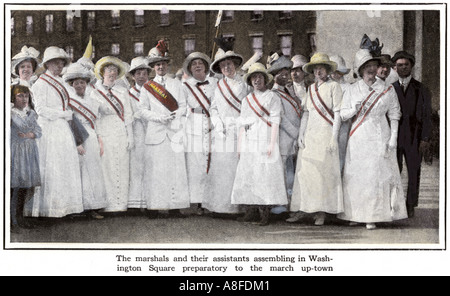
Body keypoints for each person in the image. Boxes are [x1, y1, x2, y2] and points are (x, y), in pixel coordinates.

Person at [338, 47, 408, 230]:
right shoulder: (352, 89)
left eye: (373, 65)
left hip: (379, 134)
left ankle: (372, 216)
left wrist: (393, 138)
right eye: (366, 66)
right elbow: (343, 114)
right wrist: (353, 108)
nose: (370, 69)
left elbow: (395, 114)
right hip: (358, 136)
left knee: (375, 175)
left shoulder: (386, 89)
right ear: (360, 70)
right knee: (357, 176)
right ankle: (355, 215)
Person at [26, 46, 84, 218]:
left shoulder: (61, 82)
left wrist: (64, 116)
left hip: (61, 128)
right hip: (49, 128)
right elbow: (41, 110)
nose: (59, 66)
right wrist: (63, 114)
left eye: (61, 63)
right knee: (51, 167)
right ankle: (47, 209)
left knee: (64, 166)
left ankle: (64, 208)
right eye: (56, 63)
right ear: (48, 64)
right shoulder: (40, 83)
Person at [289, 53, 344, 226]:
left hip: (326, 133)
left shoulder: (334, 86)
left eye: (322, 68)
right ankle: (304, 209)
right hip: (311, 134)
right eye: (315, 68)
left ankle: (322, 211)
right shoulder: (311, 89)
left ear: (328, 70)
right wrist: (300, 135)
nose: (318, 71)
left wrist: (334, 138)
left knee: (323, 174)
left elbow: (337, 114)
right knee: (306, 173)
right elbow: (306, 113)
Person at [231, 62, 287, 226]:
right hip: (250, 140)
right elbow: (243, 124)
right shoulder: (247, 99)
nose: (257, 80)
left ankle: (265, 212)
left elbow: (276, 121)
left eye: (259, 77)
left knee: (265, 175)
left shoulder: (272, 97)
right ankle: (251, 210)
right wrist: (240, 145)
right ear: (250, 81)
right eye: (254, 77)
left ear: (265, 79)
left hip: (265, 136)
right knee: (249, 174)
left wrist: (272, 143)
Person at [138, 42, 190, 218]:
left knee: (174, 170)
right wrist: (159, 118)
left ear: (168, 65)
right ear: (153, 67)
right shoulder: (147, 87)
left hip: (173, 132)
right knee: (156, 171)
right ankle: (154, 207)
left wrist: (175, 115)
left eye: (163, 63)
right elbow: (142, 110)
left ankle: (174, 207)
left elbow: (183, 106)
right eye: (157, 64)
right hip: (156, 133)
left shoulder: (177, 84)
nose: (160, 67)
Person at [204, 39, 248, 217]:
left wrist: (240, 125)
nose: (226, 68)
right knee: (220, 170)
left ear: (235, 65)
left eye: (229, 64)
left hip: (237, 130)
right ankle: (218, 207)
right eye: (223, 65)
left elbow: (248, 107)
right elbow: (212, 107)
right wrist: (217, 123)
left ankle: (234, 208)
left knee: (235, 169)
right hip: (220, 131)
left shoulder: (244, 84)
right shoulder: (218, 85)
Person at [63, 62, 108, 219]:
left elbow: (98, 121)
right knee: (77, 172)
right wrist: (77, 142)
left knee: (93, 171)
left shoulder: (92, 100)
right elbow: (70, 121)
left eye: (82, 82)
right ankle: (76, 208)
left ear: (86, 84)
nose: (79, 85)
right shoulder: (69, 101)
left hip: (91, 136)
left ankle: (92, 207)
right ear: (72, 84)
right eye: (76, 83)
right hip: (76, 136)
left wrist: (99, 138)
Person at [392, 50, 433, 218]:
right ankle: (395, 205)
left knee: (414, 171)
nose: (403, 68)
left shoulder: (421, 89)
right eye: (399, 65)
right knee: (394, 171)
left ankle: (410, 205)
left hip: (414, 137)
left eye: (406, 65)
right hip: (395, 138)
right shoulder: (391, 88)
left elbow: (427, 116)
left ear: (412, 66)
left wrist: (425, 138)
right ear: (395, 68)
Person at [91, 56, 134, 213]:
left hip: (120, 130)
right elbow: (92, 116)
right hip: (104, 131)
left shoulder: (123, 92)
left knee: (121, 166)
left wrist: (130, 136)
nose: (112, 73)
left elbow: (128, 115)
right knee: (106, 166)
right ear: (102, 72)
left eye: (115, 70)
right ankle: (107, 204)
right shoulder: (95, 92)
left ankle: (120, 204)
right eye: (109, 70)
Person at [182, 52, 218, 214]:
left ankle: (210, 201)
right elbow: (181, 108)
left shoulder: (215, 83)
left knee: (212, 163)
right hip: (194, 124)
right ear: (190, 68)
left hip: (213, 123)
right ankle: (196, 202)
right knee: (196, 164)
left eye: (200, 63)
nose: (197, 66)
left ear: (206, 67)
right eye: (194, 64)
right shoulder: (185, 85)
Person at [267, 54, 302, 216]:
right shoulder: (273, 94)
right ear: (274, 76)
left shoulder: (290, 90)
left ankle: (290, 205)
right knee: (282, 174)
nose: (285, 75)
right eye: (281, 73)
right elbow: (281, 118)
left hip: (293, 138)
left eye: (287, 72)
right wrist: (296, 134)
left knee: (291, 173)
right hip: (283, 137)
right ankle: (279, 206)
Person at [10, 85, 41, 232]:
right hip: (16, 152)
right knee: (14, 187)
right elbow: (19, 129)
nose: (24, 99)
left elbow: (38, 131)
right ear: (13, 98)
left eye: (26, 96)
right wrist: (29, 132)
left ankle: (20, 218)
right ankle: (10, 221)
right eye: (20, 96)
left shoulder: (31, 113)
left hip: (29, 152)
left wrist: (30, 135)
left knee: (24, 187)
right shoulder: (10, 114)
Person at [127, 56, 151, 210]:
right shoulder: (128, 93)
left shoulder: (154, 91)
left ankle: (150, 202)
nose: (141, 76)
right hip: (136, 130)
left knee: (150, 165)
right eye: (138, 73)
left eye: (144, 73)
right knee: (136, 166)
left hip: (151, 130)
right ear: (133, 76)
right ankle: (135, 203)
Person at [329, 55, 351, 174]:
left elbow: (345, 108)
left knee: (341, 153)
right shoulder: (327, 86)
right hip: (328, 123)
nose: (335, 75)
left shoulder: (347, 87)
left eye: (338, 72)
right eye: (333, 72)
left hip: (343, 125)